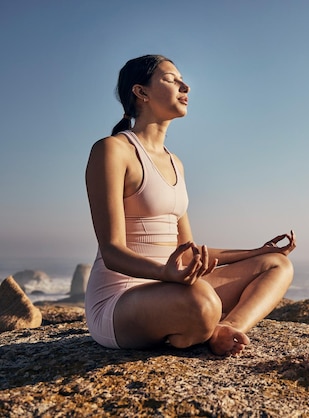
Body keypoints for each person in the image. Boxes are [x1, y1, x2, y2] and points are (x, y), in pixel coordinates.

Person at [84, 54, 296, 356]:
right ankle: (198, 326)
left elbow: (189, 250)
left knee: (278, 265)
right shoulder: (113, 150)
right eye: (171, 79)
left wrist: (258, 252)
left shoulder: (176, 163)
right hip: (121, 299)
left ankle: (228, 329)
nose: (185, 86)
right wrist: (167, 274)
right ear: (141, 92)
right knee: (201, 301)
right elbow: (112, 252)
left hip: (173, 286)